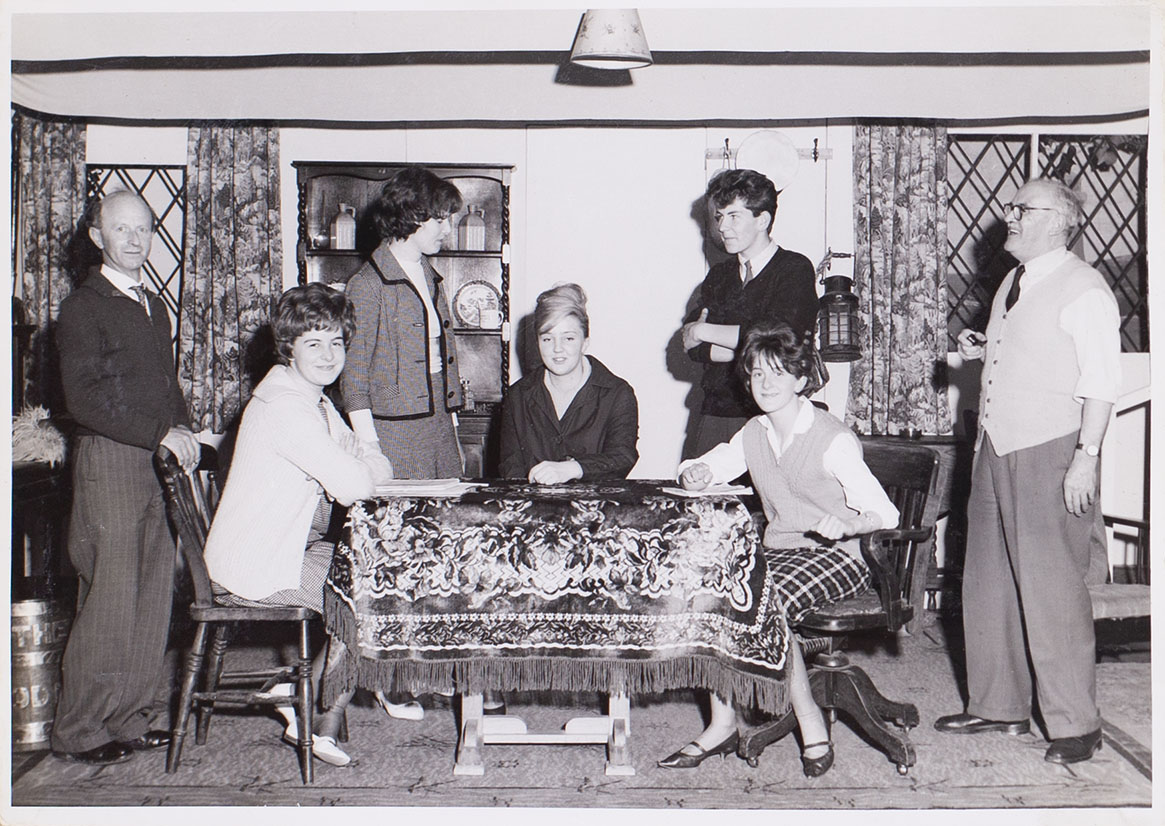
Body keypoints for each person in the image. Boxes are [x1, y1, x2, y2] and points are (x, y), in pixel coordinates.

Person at [658, 322, 899, 776]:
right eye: (756, 374)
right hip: (782, 551)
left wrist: (850, 521)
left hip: (839, 555)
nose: (765, 384)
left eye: (777, 373)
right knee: (711, 597)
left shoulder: (832, 439)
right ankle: (722, 723)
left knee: (763, 603)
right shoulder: (754, 432)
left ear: (801, 379)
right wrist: (695, 472)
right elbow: (708, 465)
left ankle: (809, 721)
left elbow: (886, 513)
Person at [935, 179, 1121, 765]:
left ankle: (1075, 723)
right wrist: (978, 347)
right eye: (1010, 205)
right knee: (986, 577)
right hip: (993, 443)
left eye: (1022, 209)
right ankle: (998, 706)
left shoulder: (1085, 288)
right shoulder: (1014, 282)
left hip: (1051, 446)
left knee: (1051, 586)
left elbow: (1100, 383)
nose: (1007, 215)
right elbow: (1023, 348)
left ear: (1060, 222)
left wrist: (1084, 459)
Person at [204, 283, 394, 767]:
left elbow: (377, 464)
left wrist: (361, 465)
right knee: (369, 593)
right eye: (314, 343)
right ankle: (315, 713)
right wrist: (359, 468)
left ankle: (299, 689)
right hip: (255, 564)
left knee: (377, 573)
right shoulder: (286, 406)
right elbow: (355, 484)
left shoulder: (315, 401)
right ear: (288, 347)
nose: (329, 355)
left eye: (336, 342)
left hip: (286, 549)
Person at [51, 190, 203, 766]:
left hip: (154, 463)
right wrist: (159, 433)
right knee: (110, 597)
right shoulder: (83, 307)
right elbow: (84, 400)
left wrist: (187, 432)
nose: (136, 240)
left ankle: (129, 717)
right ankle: (81, 729)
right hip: (110, 461)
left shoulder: (151, 303)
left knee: (151, 593)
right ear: (99, 237)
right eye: (122, 230)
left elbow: (165, 386)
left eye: (143, 229)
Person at [339, 165, 468, 719]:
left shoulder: (430, 275)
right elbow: (355, 377)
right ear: (412, 216)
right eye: (441, 219)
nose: (447, 230)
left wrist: (453, 423)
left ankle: (426, 668)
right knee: (398, 560)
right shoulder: (366, 285)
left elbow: (440, 363)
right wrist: (370, 448)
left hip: (437, 428)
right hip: (393, 436)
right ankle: (388, 678)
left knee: (440, 553)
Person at [680, 168, 820, 458]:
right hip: (715, 416)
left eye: (734, 217)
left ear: (763, 220)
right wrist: (751, 347)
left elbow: (781, 339)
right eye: (719, 217)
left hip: (773, 415)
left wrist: (704, 331)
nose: (722, 228)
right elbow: (692, 349)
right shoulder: (717, 277)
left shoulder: (794, 269)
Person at [499, 283, 639, 482]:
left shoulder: (617, 393)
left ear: (585, 342)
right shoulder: (517, 396)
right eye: (547, 339)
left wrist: (573, 469)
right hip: (534, 507)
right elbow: (511, 467)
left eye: (568, 338)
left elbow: (623, 457)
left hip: (596, 507)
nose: (557, 349)